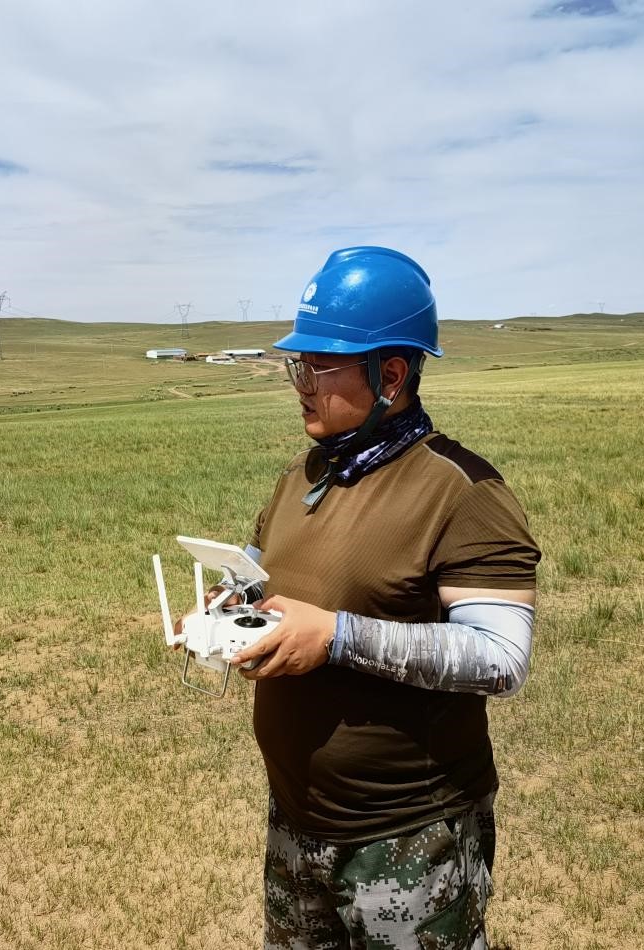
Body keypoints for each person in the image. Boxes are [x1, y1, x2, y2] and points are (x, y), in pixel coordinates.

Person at [185, 246, 540, 949]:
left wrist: (336, 637)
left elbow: (501, 658)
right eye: (298, 365)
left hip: (410, 836)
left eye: (320, 367)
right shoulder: (305, 472)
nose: (300, 384)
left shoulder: (463, 492)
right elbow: (257, 577)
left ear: (391, 375)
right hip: (296, 821)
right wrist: (220, 610)